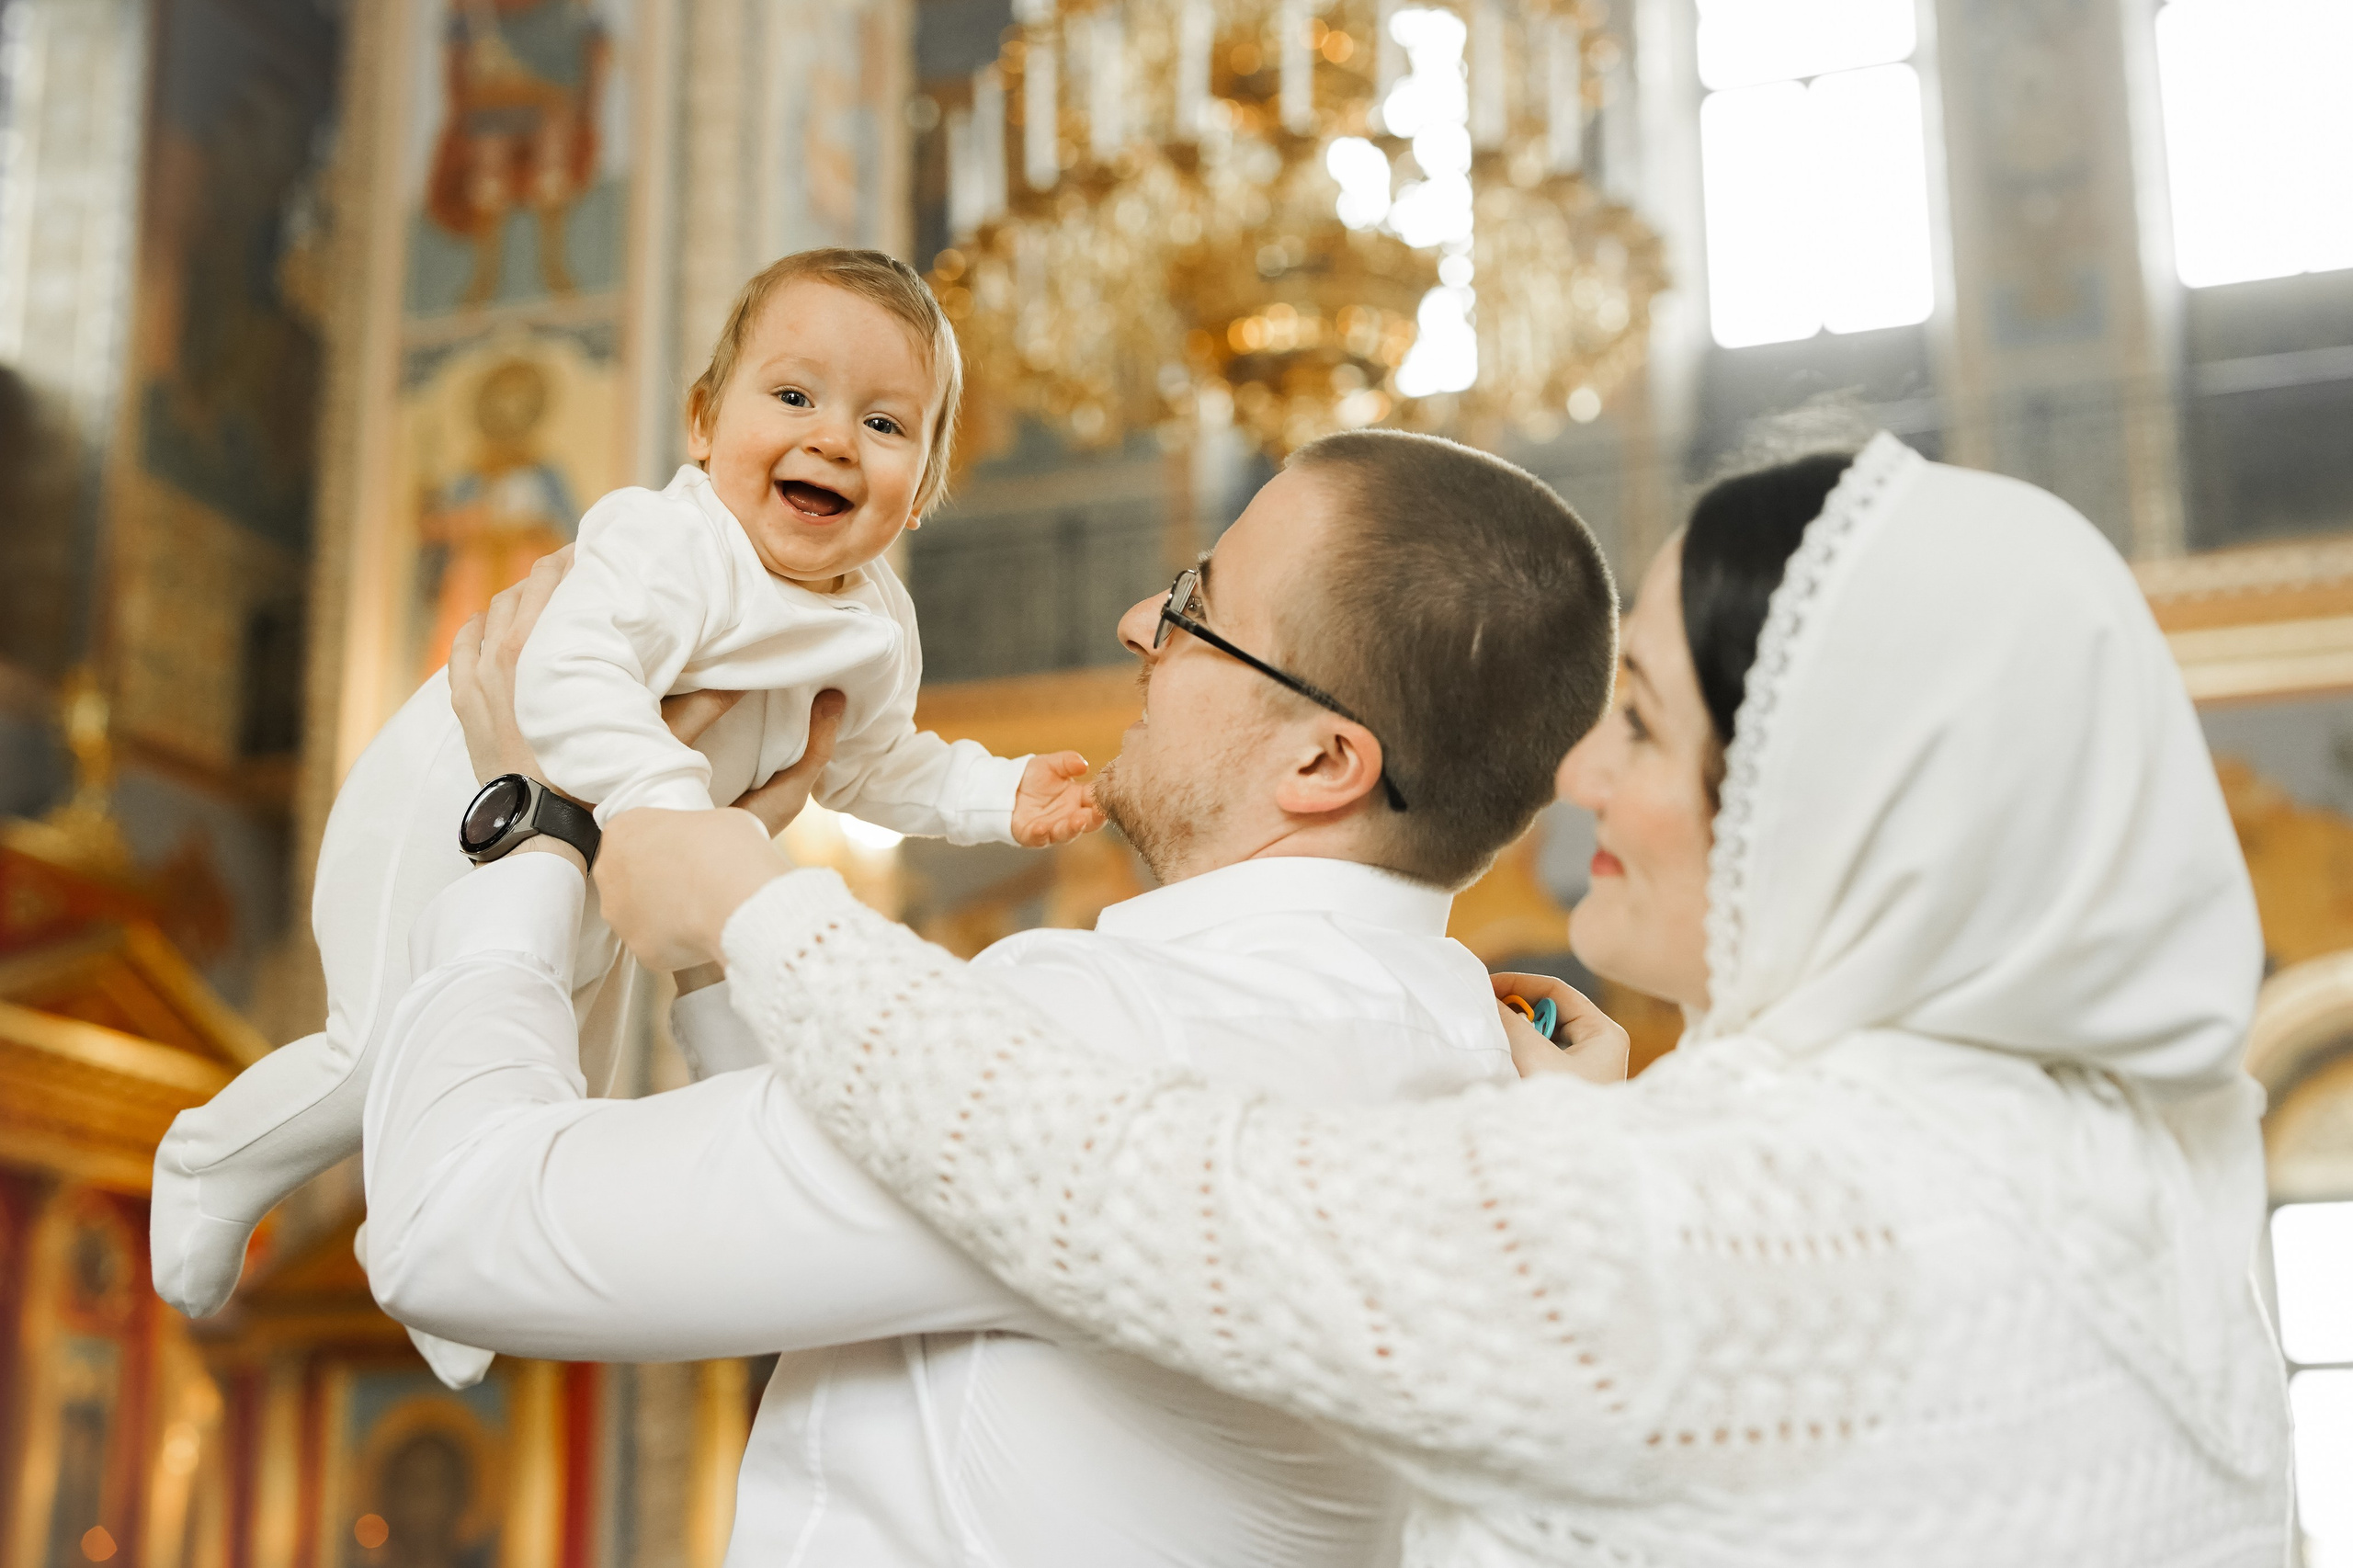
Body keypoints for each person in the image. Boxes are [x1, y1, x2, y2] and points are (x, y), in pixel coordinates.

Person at [601, 430, 2293, 1566]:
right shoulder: (2122, 1162)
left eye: (1638, 720)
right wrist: (1623, 1140)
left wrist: (760, 919)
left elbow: (1147, 1187)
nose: (1579, 777)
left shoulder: (1756, 1219)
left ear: (1842, 803)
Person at [360, 428, 1625, 1565]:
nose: (1140, 619)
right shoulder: (1478, 1068)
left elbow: (452, 1223)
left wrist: (525, 825)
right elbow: (868, 1207)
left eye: (1199, 605)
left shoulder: (1107, 1029)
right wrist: (710, 948)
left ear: (1320, 759)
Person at [150, 249, 1102, 1383]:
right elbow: (564, 675)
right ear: (703, 423)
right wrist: (670, 802)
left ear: (923, 484)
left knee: (560, 1068)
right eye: (793, 396)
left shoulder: (876, 623)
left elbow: (872, 761)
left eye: (886, 424)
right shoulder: (674, 545)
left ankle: (455, 1264)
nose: (835, 438)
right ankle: (213, 1161)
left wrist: (996, 794)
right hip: (462, 806)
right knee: (384, 1044)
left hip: (612, 856)